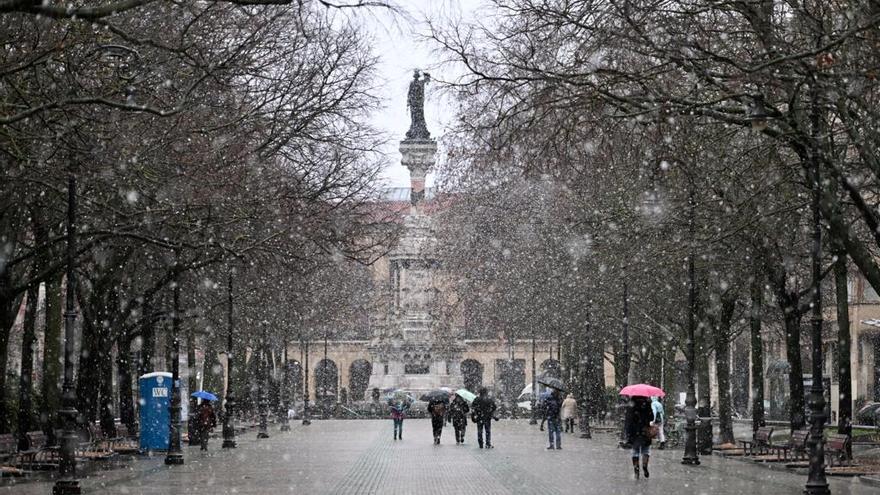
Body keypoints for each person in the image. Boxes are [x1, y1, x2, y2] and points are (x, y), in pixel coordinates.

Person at [624, 396, 654, 479]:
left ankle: (636, 471)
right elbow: (651, 417)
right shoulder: (647, 403)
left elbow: (628, 419)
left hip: (634, 432)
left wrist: (627, 433)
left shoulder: (632, 404)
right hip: (645, 430)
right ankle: (644, 465)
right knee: (646, 451)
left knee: (635, 452)